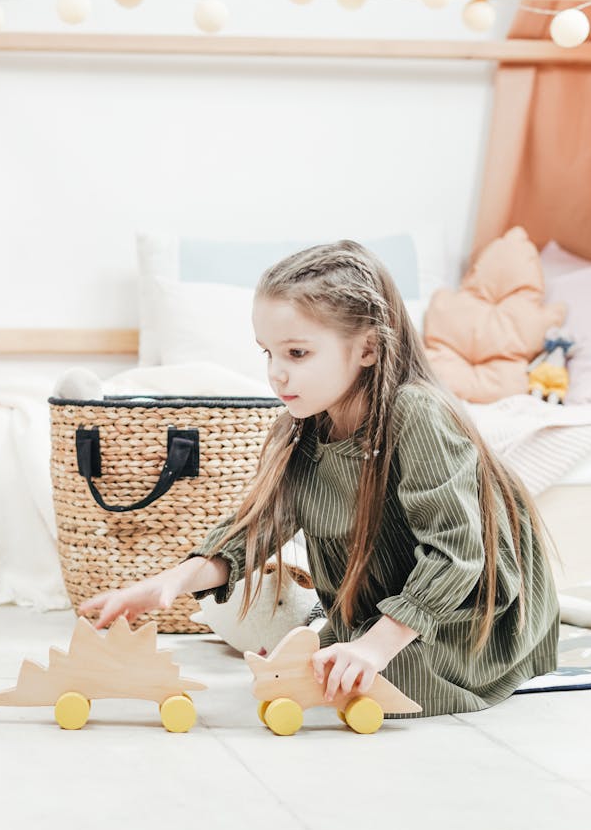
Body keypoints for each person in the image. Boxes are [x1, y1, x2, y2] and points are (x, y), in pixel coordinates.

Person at [81, 240, 559, 717]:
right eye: (267, 353)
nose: (276, 374)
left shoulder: (417, 413)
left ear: (368, 348)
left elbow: (456, 555)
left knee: (378, 681)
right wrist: (169, 582)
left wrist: (374, 648)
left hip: (466, 612)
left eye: (296, 353)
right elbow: (256, 529)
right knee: (311, 661)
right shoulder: (304, 425)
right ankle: (353, 632)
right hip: (381, 602)